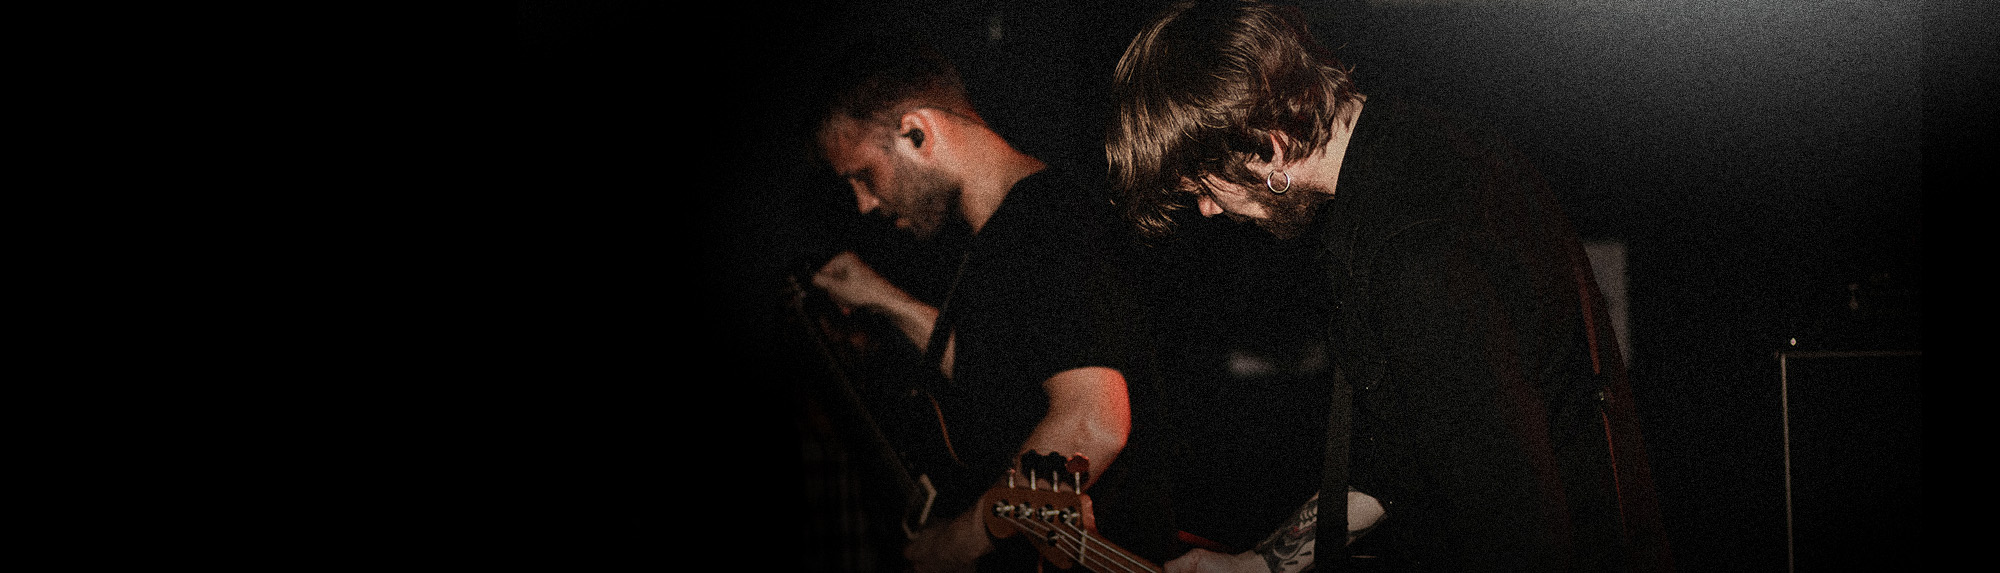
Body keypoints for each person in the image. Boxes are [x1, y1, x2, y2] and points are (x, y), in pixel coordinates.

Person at [1104, 1, 1671, 572]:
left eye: (1206, 186)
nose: (1207, 209)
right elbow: (1399, 463)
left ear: (1268, 147)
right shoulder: (1405, 160)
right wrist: (1256, 565)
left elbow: (1511, 524)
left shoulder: (1414, 246)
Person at [805, 35, 1173, 572]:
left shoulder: (1047, 222)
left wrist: (958, 541)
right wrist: (878, 297)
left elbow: (1094, 423)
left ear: (917, 132)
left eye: (863, 175)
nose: (863, 203)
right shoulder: (997, 239)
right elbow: (997, 379)